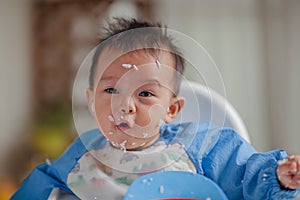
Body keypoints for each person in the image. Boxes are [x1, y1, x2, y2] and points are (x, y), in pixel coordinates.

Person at [12, 18, 300, 200]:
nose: (124, 106)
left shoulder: (201, 147)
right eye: (110, 90)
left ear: (171, 110)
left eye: (146, 93)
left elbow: (245, 172)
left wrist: (277, 177)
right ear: (90, 100)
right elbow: (43, 183)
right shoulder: (83, 153)